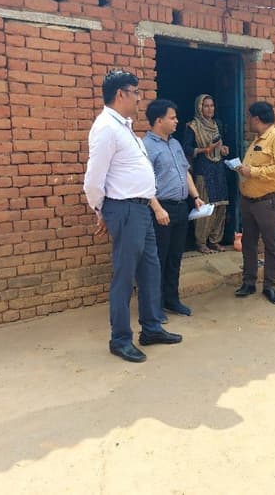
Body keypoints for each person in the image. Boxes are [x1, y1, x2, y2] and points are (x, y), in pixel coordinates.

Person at [83, 70, 182, 363]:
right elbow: (93, 179)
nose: (139, 98)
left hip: (140, 208)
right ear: (120, 94)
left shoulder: (124, 127)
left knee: (150, 270)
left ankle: (151, 328)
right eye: (135, 92)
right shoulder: (106, 128)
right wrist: (101, 210)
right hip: (124, 208)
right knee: (124, 276)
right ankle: (120, 339)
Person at [143, 99, 205, 319]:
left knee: (175, 257)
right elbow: (143, 182)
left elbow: (185, 172)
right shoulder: (146, 146)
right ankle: (155, 306)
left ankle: (172, 299)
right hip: (161, 209)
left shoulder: (175, 144)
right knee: (157, 259)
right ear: (159, 120)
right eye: (172, 117)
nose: (177, 121)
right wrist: (157, 209)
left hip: (180, 207)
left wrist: (195, 196)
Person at [234, 101, 275, 305]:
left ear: (256, 119)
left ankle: (269, 286)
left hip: (267, 201)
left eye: (249, 117)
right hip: (248, 200)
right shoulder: (257, 139)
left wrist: (253, 172)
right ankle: (249, 282)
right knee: (248, 243)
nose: (248, 121)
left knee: (271, 244)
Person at [183, 94, 230, 254]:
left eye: (212, 105)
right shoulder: (193, 127)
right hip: (203, 169)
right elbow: (186, 149)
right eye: (206, 106)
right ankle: (201, 241)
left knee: (220, 205)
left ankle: (215, 240)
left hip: (218, 168)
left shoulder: (217, 124)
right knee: (205, 206)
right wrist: (205, 150)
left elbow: (219, 144)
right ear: (199, 108)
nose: (210, 109)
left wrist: (222, 149)